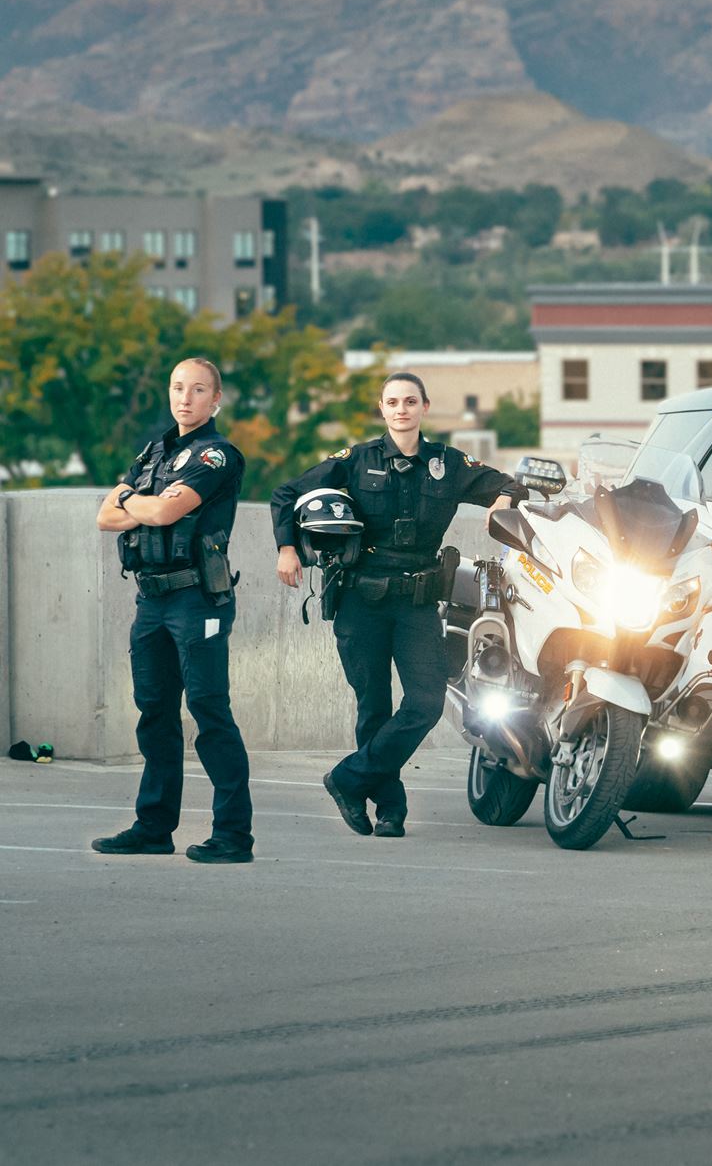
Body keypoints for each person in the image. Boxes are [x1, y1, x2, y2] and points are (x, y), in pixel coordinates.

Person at [271, 371, 523, 837]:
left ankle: (347, 779)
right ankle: (389, 809)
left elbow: (512, 483)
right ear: (382, 410)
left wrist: (502, 498)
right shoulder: (357, 459)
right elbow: (288, 493)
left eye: (410, 401)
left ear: (425, 407)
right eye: (392, 402)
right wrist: (288, 548)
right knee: (373, 705)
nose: (401, 409)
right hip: (361, 598)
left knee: (426, 702)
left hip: (417, 603)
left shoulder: (448, 463)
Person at [90, 357, 254, 863]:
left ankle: (232, 836)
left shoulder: (218, 456)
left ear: (216, 400)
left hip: (196, 599)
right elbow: (103, 516)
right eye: (178, 387)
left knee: (209, 712)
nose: (186, 397)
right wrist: (137, 498)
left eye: (198, 389)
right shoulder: (153, 453)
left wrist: (130, 498)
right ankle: (153, 828)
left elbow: (160, 511)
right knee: (154, 713)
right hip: (152, 600)